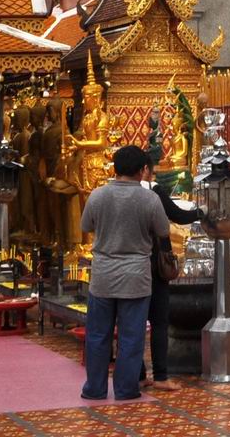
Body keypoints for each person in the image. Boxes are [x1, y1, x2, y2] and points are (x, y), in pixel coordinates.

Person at [79, 144, 167, 402]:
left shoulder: (97, 195)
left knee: (97, 335)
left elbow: (86, 225)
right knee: (131, 336)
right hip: (135, 276)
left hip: (104, 274)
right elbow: (162, 230)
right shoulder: (149, 199)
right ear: (142, 171)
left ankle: (94, 388)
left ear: (114, 168)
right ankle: (126, 389)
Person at [143, 163, 203, 389]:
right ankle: (160, 376)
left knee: (132, 323)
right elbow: (172, 219)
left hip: (123, 269)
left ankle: (137, 375)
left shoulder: (105, 193)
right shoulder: (152, 192)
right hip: (153, 265)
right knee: (159, 322)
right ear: (145, 170)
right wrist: (201, 212)